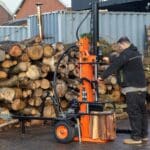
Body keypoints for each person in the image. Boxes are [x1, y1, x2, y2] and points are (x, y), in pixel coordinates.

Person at [101, 37, 148, 144]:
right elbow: (121, 60)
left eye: (119, 47)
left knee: (134, 113)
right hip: (141, 87)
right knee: (142, 112)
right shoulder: (134, 52)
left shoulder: (127, 54)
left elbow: (116, 65)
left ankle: (136, 138)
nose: (119, 49)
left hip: (132, 88)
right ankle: (143, 135)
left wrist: (101, 77)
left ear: (123, 44)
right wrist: (109, 58)